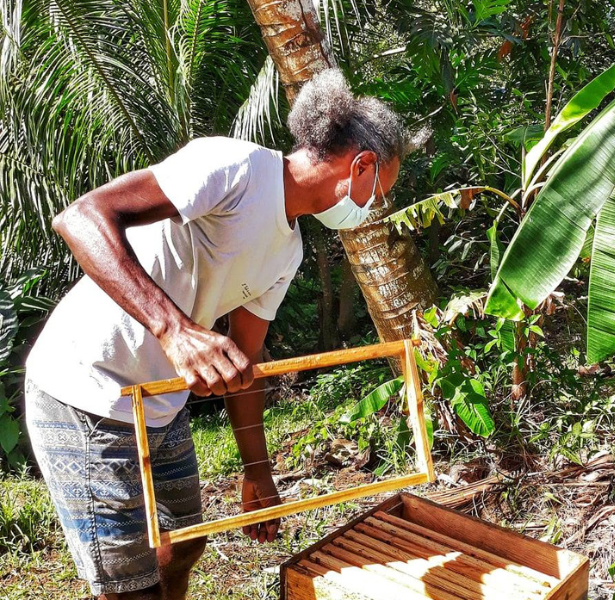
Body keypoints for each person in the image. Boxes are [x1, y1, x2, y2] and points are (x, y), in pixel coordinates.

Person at [24, 68, 422, 600]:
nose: (372, 207)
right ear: (362, 165)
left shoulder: (288, 251)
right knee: (127, 585)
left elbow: (248, 360)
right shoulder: (232, 166)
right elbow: (80, 217)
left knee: (183, 545)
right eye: (378, 193)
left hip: (160, 403)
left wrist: (257, 469)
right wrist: (176, 330)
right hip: (84, 387)